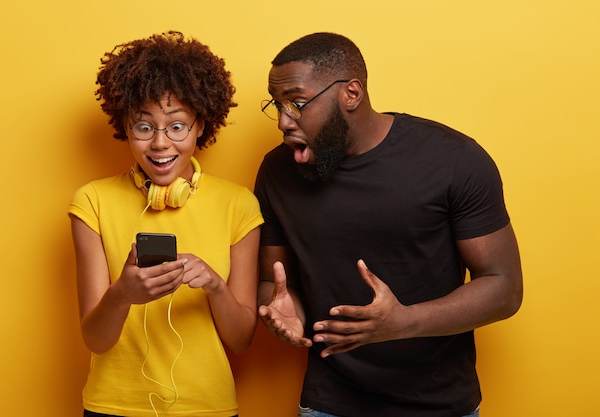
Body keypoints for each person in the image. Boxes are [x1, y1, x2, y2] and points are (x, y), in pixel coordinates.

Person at [255, 32, 523, 417]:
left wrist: (403, 322)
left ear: (351, 93)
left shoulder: (453, 160)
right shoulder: (277, 172)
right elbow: (274, 281)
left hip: (440, 404)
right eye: (276, 105)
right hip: (329, 403)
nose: (283, 121)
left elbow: (504, 287)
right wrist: (287, 313)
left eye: (297, 103)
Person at [69, 31, 263, 417]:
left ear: (201, 126)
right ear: (124, 125)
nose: (160, 143)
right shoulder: (92, 201)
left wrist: (214, 286)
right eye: (143, 127)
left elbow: (241, 340)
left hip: (207, 407)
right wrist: (122, 293)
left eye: (177, 126)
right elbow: (95, 340)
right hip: (114, 406)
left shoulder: (238, 203)